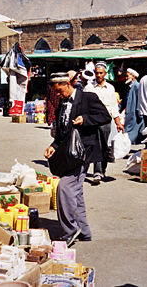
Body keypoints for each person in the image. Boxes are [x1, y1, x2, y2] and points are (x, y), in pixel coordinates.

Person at [44, 72, 111, 246]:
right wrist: (53, 146)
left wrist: (86, 119)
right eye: (55, 93)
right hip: (69, 153)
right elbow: (61, 133)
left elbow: (105, 116)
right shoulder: (61, 104)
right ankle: (84, 230)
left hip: (84, 151)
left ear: (67, 84)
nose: (57, 95)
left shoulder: (88, 98)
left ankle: (70, 231)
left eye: (59, 91)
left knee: (65, 188)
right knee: (76, 192)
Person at [84, 62, 124, 184]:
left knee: (105, 146)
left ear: (105, 74)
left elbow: (113, 107)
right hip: (93, 119)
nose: (99, 75)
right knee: (96, 145)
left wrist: (118, 123)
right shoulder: (89, 87)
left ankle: (102, 170)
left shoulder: (110, 88)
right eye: (97, 73)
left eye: (101, 73)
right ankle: (97, 172)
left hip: (106, 120)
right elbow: (85, 105)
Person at [124, 68, 144, 144]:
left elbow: (139, 100)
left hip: (135, 112)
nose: (125, 78)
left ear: (133, 76)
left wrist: (139, 112)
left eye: (127, 76)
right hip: (129, 112)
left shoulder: (137, 86)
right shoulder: (129, 86)